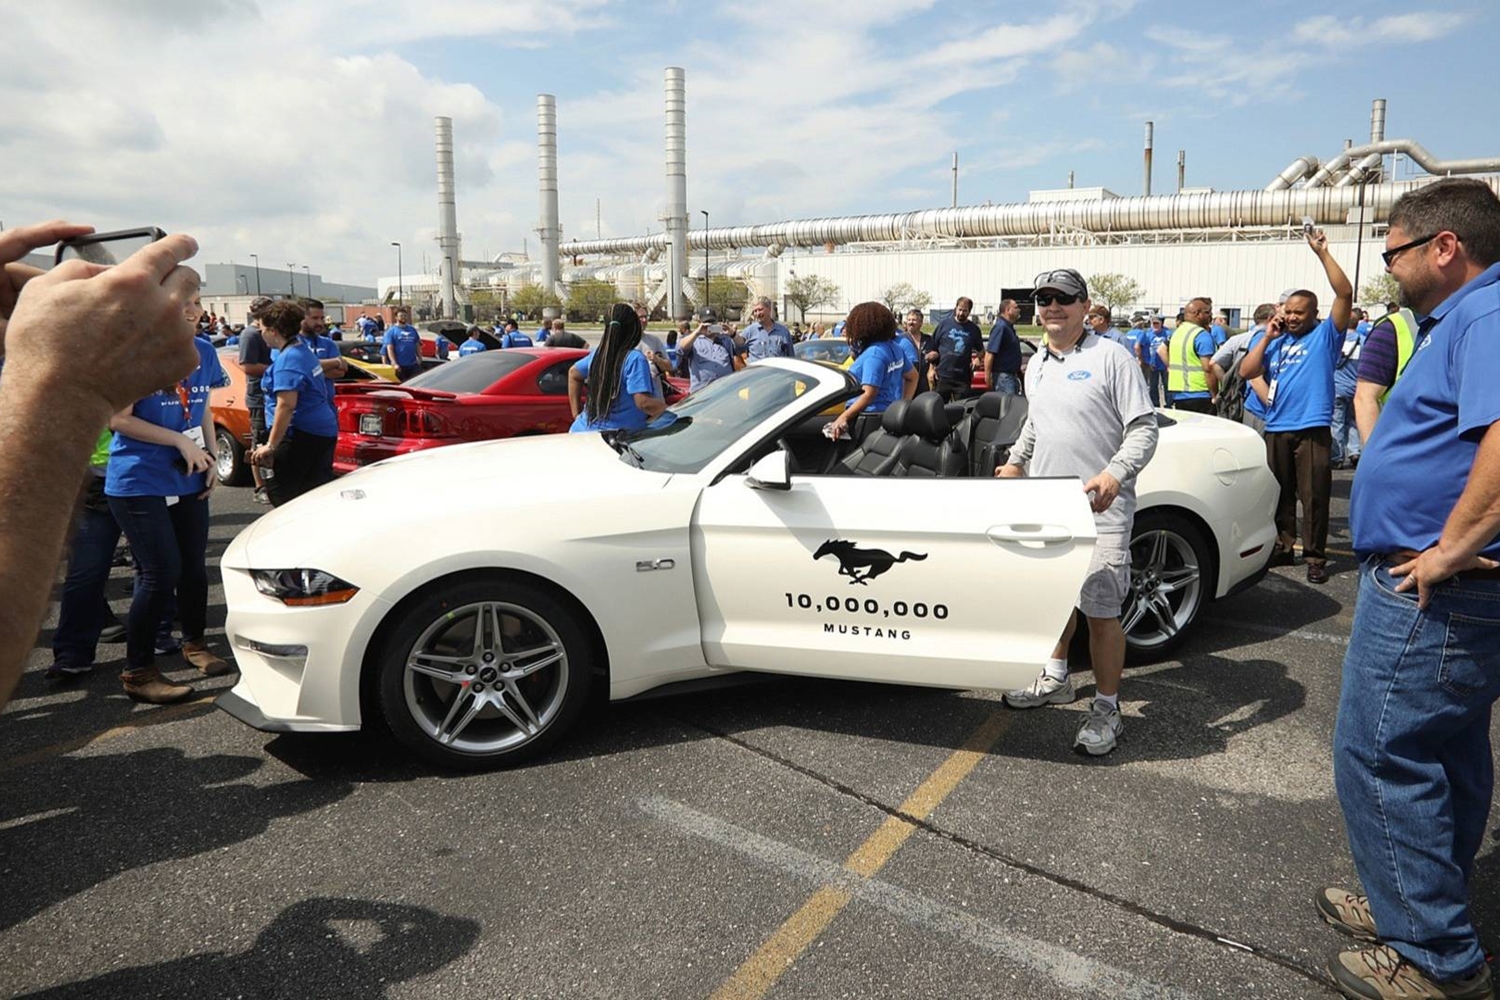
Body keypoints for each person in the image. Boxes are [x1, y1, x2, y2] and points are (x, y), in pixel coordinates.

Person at [1322, 177, 1500, 1000]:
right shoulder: (1456, 319)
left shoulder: (1487, 313)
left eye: (1392, 250)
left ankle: (1432, 955)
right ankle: (1415, 898)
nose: (1387, 266)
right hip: (1438, 581)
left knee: (1383, 752)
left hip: (1434, 585)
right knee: (1446, 749)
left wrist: (1450, 547)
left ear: (1443, 246)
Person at [996, 269, 1158, 757]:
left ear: (1085, 305)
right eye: (1042, 298)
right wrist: (1016, 462)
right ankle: (1057, 679)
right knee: (1054, 599)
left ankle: (1108, 709)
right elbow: (1035, 421)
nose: (1050, 307)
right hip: (1049, 504)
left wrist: (1115, 474)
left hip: (1100, 508)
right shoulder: (1037, 362)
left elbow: (1145, 428)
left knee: (1101, 610)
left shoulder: (1111, 357)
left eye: (1062, 298)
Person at [105, 289, 232, 704]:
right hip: (139, 479)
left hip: (190, 474)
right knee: (161, 573)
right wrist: (178, 441)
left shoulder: (203, 351)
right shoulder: (133, 353)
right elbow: (117, 419)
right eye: (182, 301)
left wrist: (210, 458)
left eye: (196, 300)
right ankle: (138, 672)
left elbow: (204, 410)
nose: (193, 309)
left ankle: (194, 643)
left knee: (194, 569)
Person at [1239, 229, 1353, 585]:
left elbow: (1344, 292)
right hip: (1276, 426)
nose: (1291, 317)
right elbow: (1247, 371)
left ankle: (1315, 556)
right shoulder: (1275, 340)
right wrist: (1268, 337)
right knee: (1280, 494)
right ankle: (1284, 545)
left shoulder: (1326, 335)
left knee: (1314, 496)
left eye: (1298, 313)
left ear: (1314, 313)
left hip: (1311, 427)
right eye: (1287, 311)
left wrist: (1322, 254)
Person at [250, 299, 337, 505]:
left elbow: (286, 405)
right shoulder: (302, 351)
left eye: (261, 329)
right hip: (320, 429)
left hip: (302, 435)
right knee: (314, 493)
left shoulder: (288, 361)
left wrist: (271, 445)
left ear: (273, 331)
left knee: (285, 498)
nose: (260, 334)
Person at [567, 303, 666, 432]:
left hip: (581, 431)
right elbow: (643, 402)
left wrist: (576, 414)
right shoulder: (634, 359)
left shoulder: (599, 354)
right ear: (633, 327)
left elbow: (573, 373)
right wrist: (674, 411)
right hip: (613, 440)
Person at [826, 302, 916, 440]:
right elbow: (913, 377)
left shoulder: (874, 354)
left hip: (868, 420)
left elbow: (869, 393)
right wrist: (902, 406)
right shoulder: (895, 348)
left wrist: (843, 417)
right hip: (888, 415)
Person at [1352, 302, 1420, 446]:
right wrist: (1374, 456)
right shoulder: (1392, 328)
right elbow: (1365, 397)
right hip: (1403, 445)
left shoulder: (1469, 321)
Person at [1212, 303, 1275, 434]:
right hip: (1259, 404)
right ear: (1270, 318)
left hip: (1241, 399)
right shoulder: (1265, 339)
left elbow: (1214, 363)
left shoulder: (1238, 339)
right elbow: (1255, 379)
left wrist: (1227, 383)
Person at [239, 295, 275, 503]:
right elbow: (247, 366)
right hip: (258, 397)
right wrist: (279, 369)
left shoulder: (271, 333)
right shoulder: (250, 335)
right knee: (259, 441)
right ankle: (259, 487)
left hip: (273, 395)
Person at [1159, 297, 1218, 413]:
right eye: (1207, 312)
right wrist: (1215, 395)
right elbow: (1208, 368)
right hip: (1201, 393)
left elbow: (1161, 350)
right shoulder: (1201, 335)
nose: (1210, 316)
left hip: (1179, 394)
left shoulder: (1177, 333)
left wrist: (1170, 366)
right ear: (1197, 314)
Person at [298, 297, 347, 420]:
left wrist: (309, 370)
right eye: (314, 318)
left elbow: (340, 372)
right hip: (301, 413)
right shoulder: (291, 343)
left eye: (321, 318)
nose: (320, 323)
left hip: (327, 411)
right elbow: (296, 369)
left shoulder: (328, 343)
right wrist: (334, 362)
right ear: (301, 318)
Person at [676, 306, 743, 391]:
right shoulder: (694, 341)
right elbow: (680, 348)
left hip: (725, 391)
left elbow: (742, 346)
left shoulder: (726, 339)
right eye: (706, 323)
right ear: (699, 323)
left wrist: (733, 334)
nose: (710, 325)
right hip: (701, 393)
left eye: (712, 322)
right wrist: (697, 332)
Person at [930, 296, 985, 401]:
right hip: (942, 376)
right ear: (955, 308)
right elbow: (933, 348)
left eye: (965, 311)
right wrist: (931, 369)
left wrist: (978, 358)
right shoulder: (944, 325)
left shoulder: (974, 329)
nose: (961, 313)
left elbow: (981, 350)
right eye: (959, 310)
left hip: (962, 378)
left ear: (969, 312)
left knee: (961, 410)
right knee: (938, 408)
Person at [1331, 312, 1366, 469]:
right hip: (1356, 387)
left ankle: (1337, 456)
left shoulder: (1335, 341)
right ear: (1358, 323)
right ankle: (1355, 452)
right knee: (1353, 421)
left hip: (1337, 386)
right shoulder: (1363, 341)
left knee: (1337, 422)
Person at [633, 301, 674, 398]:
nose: (644, 320)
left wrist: (656, 359)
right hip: (636, 401)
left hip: (656, 398)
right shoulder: (624, 343)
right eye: (640, 317)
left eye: (645, 317)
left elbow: (669, 367)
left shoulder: (654, 341)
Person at [983, 298, 1023, 395]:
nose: (1019, 310)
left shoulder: (1009, 328)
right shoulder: (1001, 327)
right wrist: (987, 376)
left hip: (1011, 377)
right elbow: (989, 354)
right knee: (1007, 406)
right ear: (1008, 310)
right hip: (1003, 378)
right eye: (1016, 307)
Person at [741, 296, 794, 361]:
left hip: (777, 370)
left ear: (769, 309)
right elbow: (736, 352)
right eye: (755, 311)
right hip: (757, 370)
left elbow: (791, 357)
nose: (757, 314)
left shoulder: (783, 331)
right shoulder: (749, 331)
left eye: (760, 310)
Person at [900, 308, 934, 397]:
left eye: (914, 320)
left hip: (923, 382)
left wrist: (932, 367)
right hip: (905, 381)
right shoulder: (900, 339)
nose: (911, 322)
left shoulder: (928, 339)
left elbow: (936, 354)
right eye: (909, 320)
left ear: (921, 323)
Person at [382, 307, 422, 380]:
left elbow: (416, 344)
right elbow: (390, 348)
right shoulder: (391, 331)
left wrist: (420, 357)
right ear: (396, 317)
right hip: (400, 365)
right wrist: (394, 363)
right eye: (401, 316)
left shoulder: (412, 330)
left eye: (405, 316)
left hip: (413, 364)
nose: (403, 317)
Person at [1144, 315, 1168, 406]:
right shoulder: (1148, 334)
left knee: (1167, 386)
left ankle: (1168, 404)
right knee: (1153, 387)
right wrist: (1148, 362)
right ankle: (1155, 405)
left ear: (1161, 324)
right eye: (1153, 323)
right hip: (1153, 364)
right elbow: (1145, 349)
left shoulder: (1168, 333)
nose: (1155, 325)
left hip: (1165, 364)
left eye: (1157, 323)